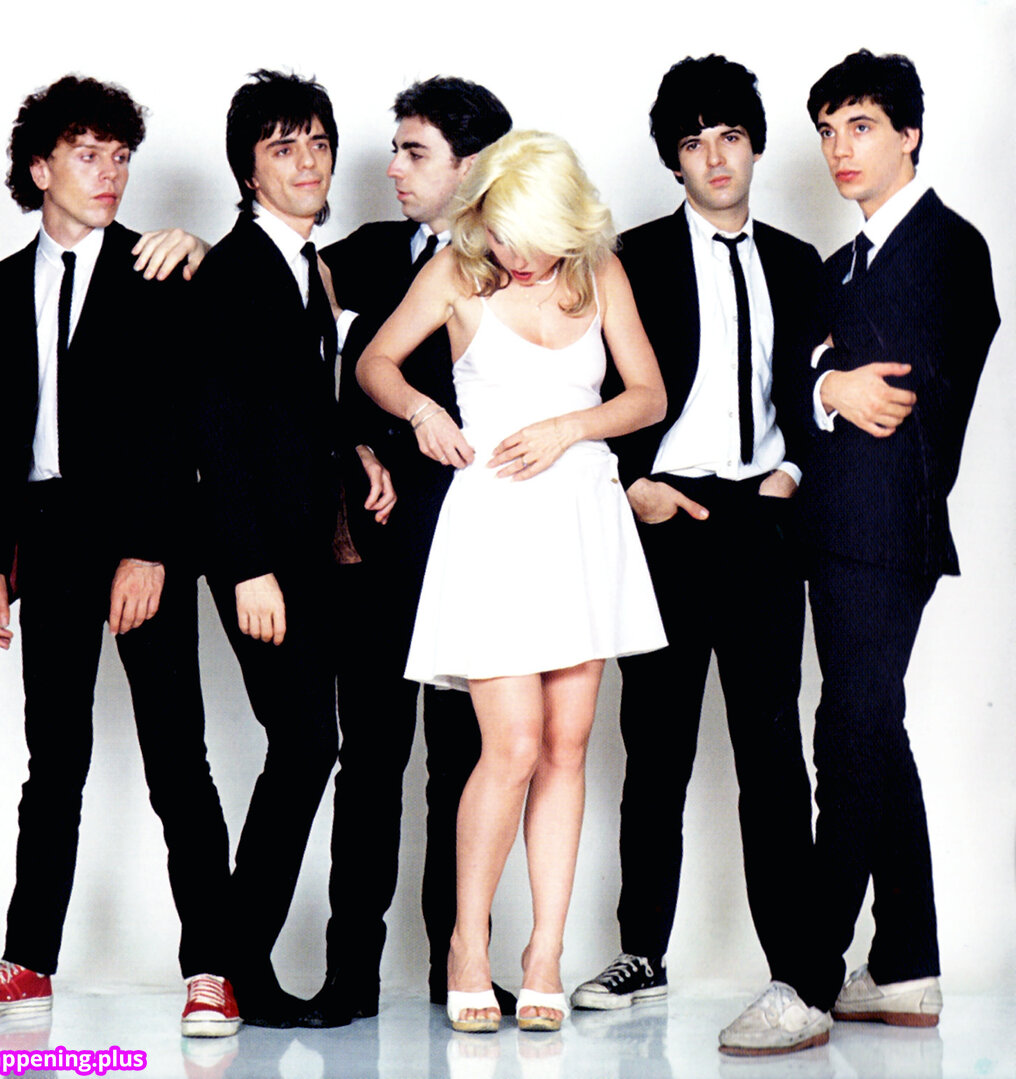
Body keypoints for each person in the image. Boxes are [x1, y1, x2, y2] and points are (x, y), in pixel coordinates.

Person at [0, 74, 239, 1038]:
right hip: (48, 537)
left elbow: (187, 428)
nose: (110, 173)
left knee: (177, 760)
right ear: (41, 169)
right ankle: (27, 962)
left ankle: (212, 968)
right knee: (54, 762)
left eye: (121, 156)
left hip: (143, 538)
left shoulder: (160, 270)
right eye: (87, 154)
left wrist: (151, 549)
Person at [719, 48, 999, 1055]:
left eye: (863, 126)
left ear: (910, 133)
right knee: (877, 732)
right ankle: (909, 963)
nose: (840, 148)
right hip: (830, 534)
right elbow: (798, 389)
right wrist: (825, 380)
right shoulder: (840, 266)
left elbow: (899, 393)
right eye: (828, 131)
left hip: (889, 531)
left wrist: (829, 379)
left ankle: (806, 977)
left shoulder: (948, 245)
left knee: (846, 735)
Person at [357, 130, 668, 1033]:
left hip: (582, 518)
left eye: (523, 236)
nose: (508, 251)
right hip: (495, 522)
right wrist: (421, 408)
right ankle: (468, 943)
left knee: (569, 742)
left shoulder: (598, 272)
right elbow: (374, 361)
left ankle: (544, 954)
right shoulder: (459, 272)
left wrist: (571, 427)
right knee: (513, 745)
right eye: (495, 230)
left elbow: (647, 395)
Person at [571, 55, 823, 1045]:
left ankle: (798, 966)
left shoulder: (800, 262)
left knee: (773, 756)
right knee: (656, 749)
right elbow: (587, 381)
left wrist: (791, 473)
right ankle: (641, 950)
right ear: (672, 160)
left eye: (730, 137)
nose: (715, 158)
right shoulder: (628, 256)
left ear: (754, 146)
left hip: (762, 521)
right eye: (693, 142)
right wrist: (631, 482)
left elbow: (815, 395)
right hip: (664, 522)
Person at [315, 75, 514, 1025]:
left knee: (467, 763)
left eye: (414, 151)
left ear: (470, 167)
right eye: (395, 149)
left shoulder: (516, 263)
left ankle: (458, 965)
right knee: (370, 761)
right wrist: (349, 446)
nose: (392, 167)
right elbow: (284, 353)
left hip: (478, 543)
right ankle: (348, 973)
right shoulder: (356, 254)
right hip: (377, 545)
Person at [192, 69, 355, 1029]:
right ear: (248, 170)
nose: (307, 162)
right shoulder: (236, 269)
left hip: (313, 553)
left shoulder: (307, 264)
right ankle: (238, 964)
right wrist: (247, 565)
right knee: (304, 743)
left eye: (318, 143)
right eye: (282, 147)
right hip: (263, 558)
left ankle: (236, 959)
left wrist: (358, 451)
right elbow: (216, 430)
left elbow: (301, 408)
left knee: (306, 746)